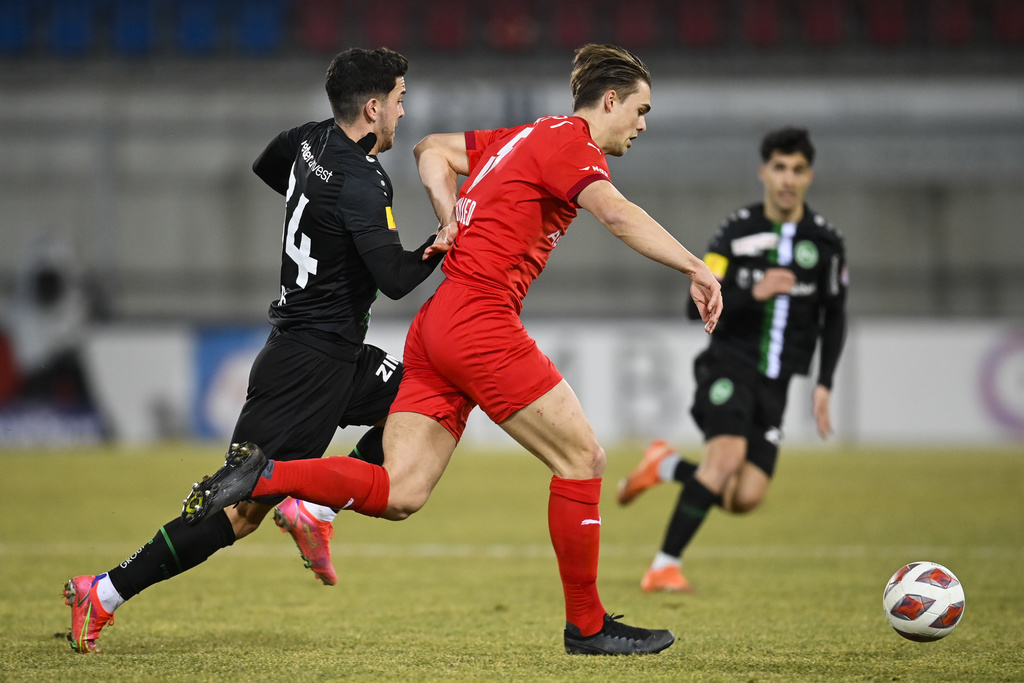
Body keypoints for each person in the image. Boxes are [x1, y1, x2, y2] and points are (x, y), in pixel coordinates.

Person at [180, 43, 723, 656]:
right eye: (641, 110)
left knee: (403, 490)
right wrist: (696, 268)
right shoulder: (572, 144)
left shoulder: (527, 136)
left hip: (437, 321)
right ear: (609, 101)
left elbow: (429, 148)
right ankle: (588, 627)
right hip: (482, 322)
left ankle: (266, 474)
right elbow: (618, 216)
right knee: (583, 458)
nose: (643, 125)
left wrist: (449, 217)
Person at [63, 47, 448, 653]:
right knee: (238, 507)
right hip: (305, 364)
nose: (405, 109)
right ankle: (105, 591)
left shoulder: (307, 141)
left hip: (333, 353)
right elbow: (396, 280)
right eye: (400, 98)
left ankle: (316, 512)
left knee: (418, 397)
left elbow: (271, 169)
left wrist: (323, 221)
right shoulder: (363, 179)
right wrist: (443, 241)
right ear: (373, 108)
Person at [616, 126, 848, 593]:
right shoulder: (735, 232)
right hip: (728, 363)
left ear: (809, 176)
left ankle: (664, 465)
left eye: (797, 170)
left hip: (776, 382)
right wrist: (753, 293)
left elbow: (834, 316)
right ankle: (664, 566)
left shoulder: (825, 244)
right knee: (724, 461)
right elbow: (692, 307)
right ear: (764, 172)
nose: (787, 179)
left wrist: (824, 383)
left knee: (745, 496)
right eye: (779, 168)